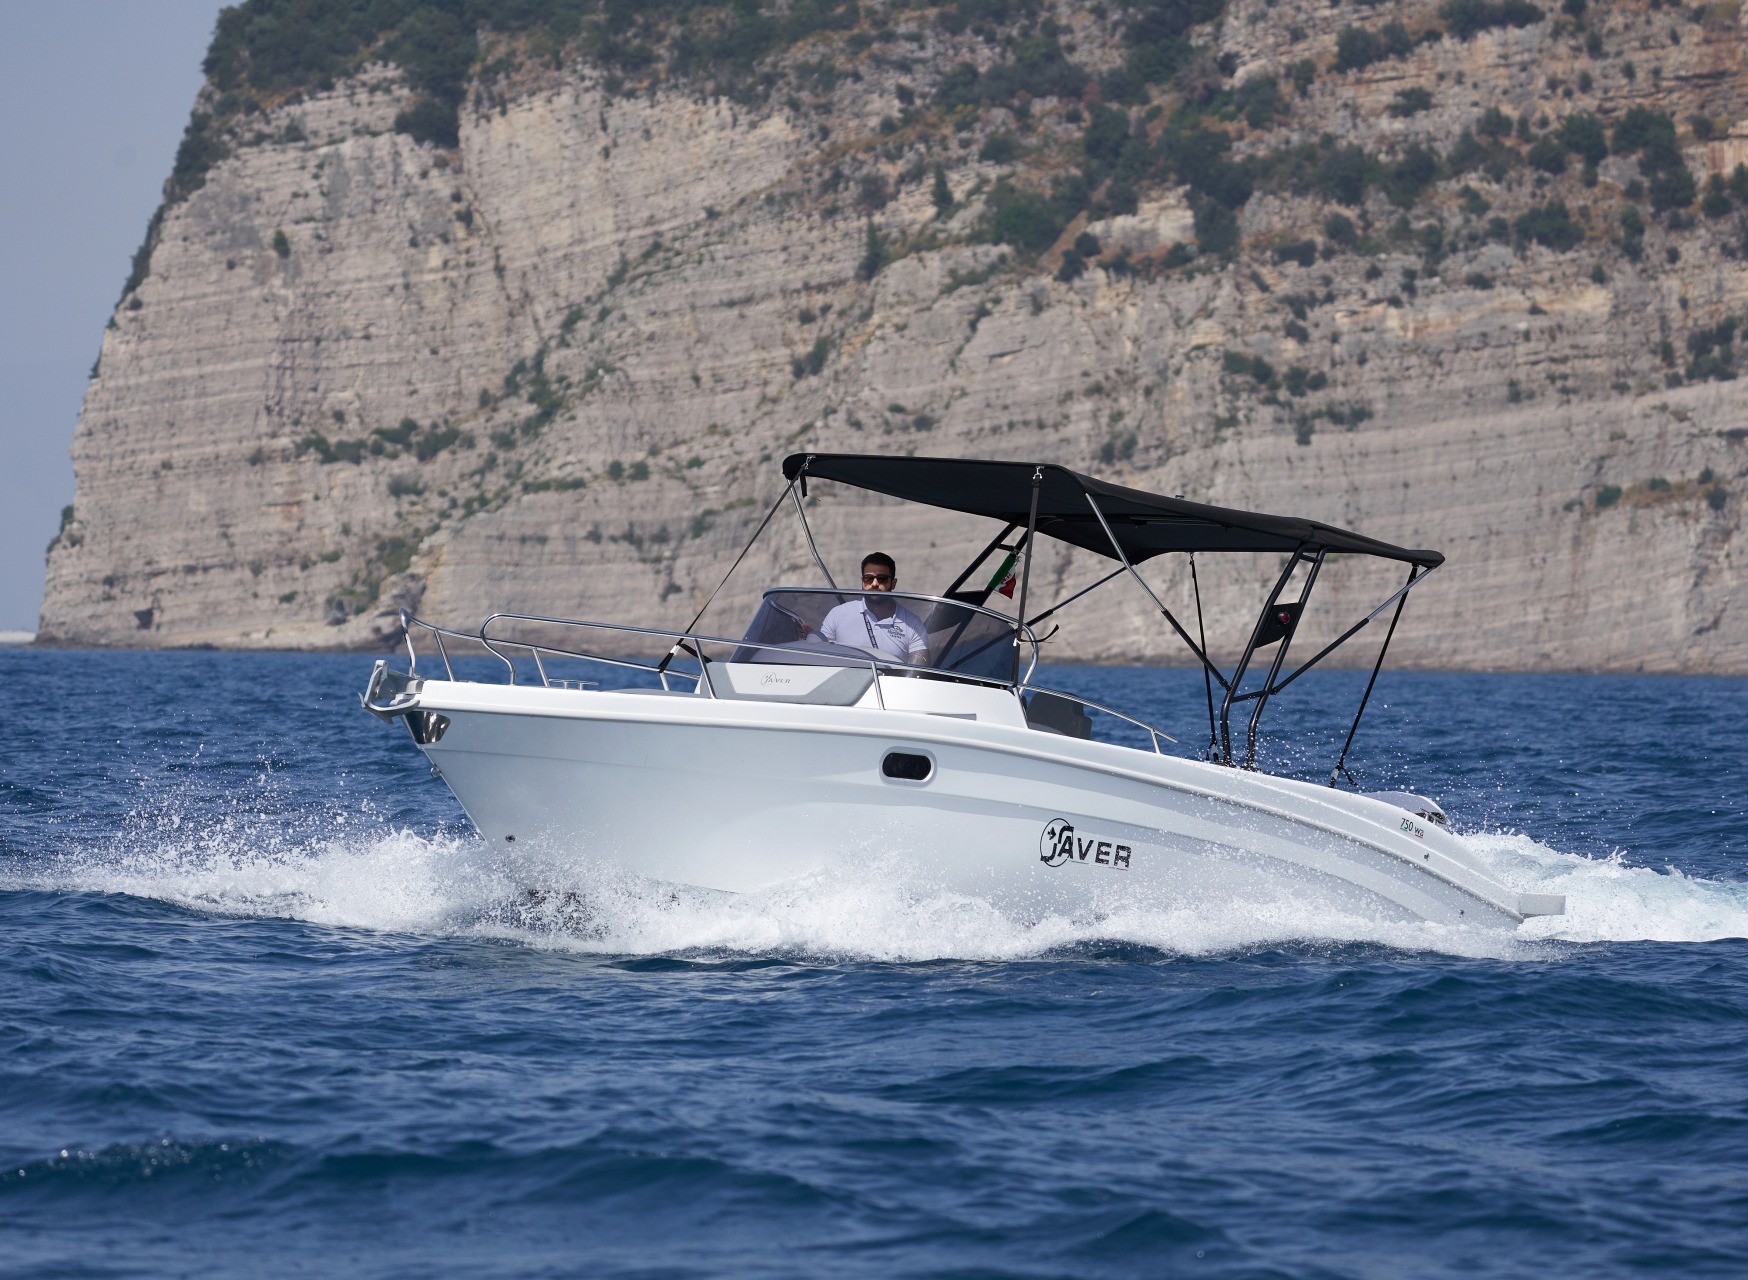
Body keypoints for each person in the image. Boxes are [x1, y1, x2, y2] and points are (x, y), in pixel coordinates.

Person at [818, 553, 929, 664]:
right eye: (868, 578)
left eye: (882, 579)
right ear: (862, 581)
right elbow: (821, 658)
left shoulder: (912, 624)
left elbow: (920, 669)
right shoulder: (837, 614)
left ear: (893, 583)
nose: (874, 584)